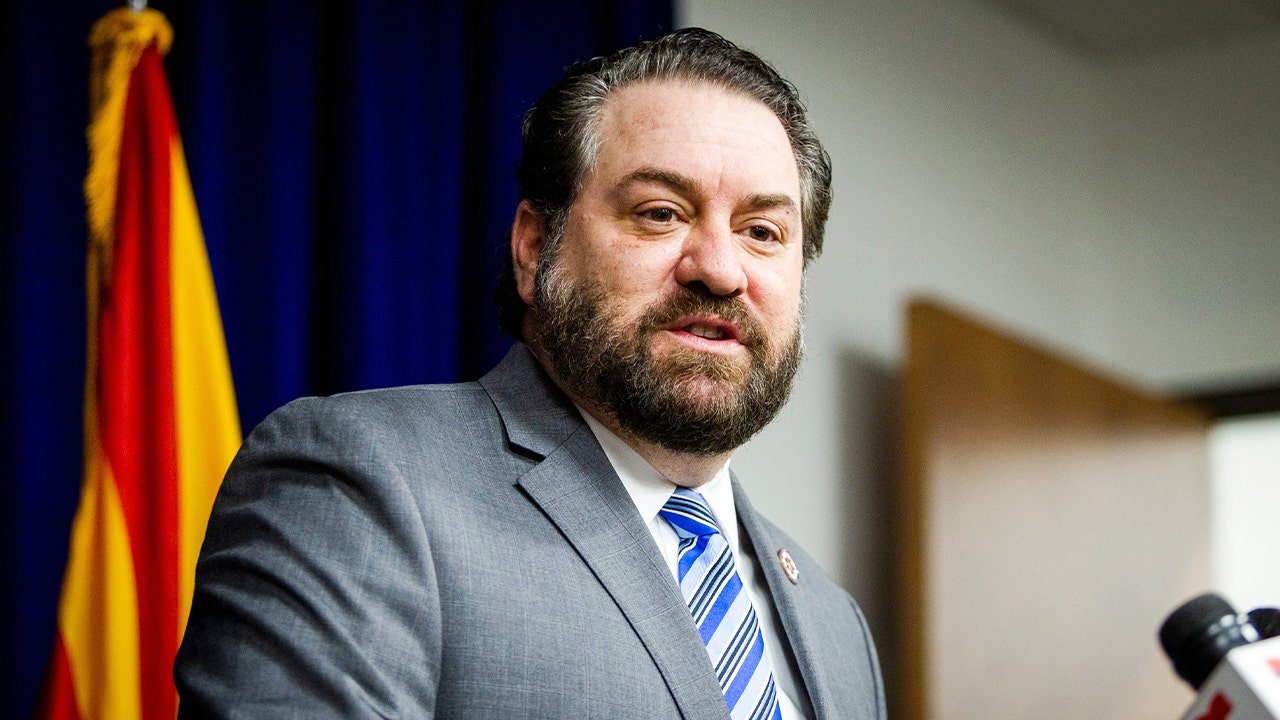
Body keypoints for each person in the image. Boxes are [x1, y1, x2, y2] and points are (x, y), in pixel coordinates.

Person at [175, 27, 885, 720]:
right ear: (535, 247)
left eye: (762, 232)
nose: (722, 270)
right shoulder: (358, 480)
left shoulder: (837, 627)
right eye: (661, 213)